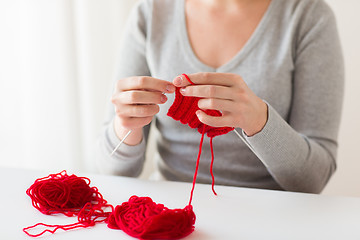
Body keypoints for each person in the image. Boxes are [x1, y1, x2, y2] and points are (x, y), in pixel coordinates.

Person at [96, 0, 344, 193]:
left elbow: (313, 180)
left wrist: (260, 121)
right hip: (172, 214)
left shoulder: (309, 17)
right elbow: (112, 171)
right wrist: (125, 126)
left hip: (272, 215)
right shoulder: (151, 13)